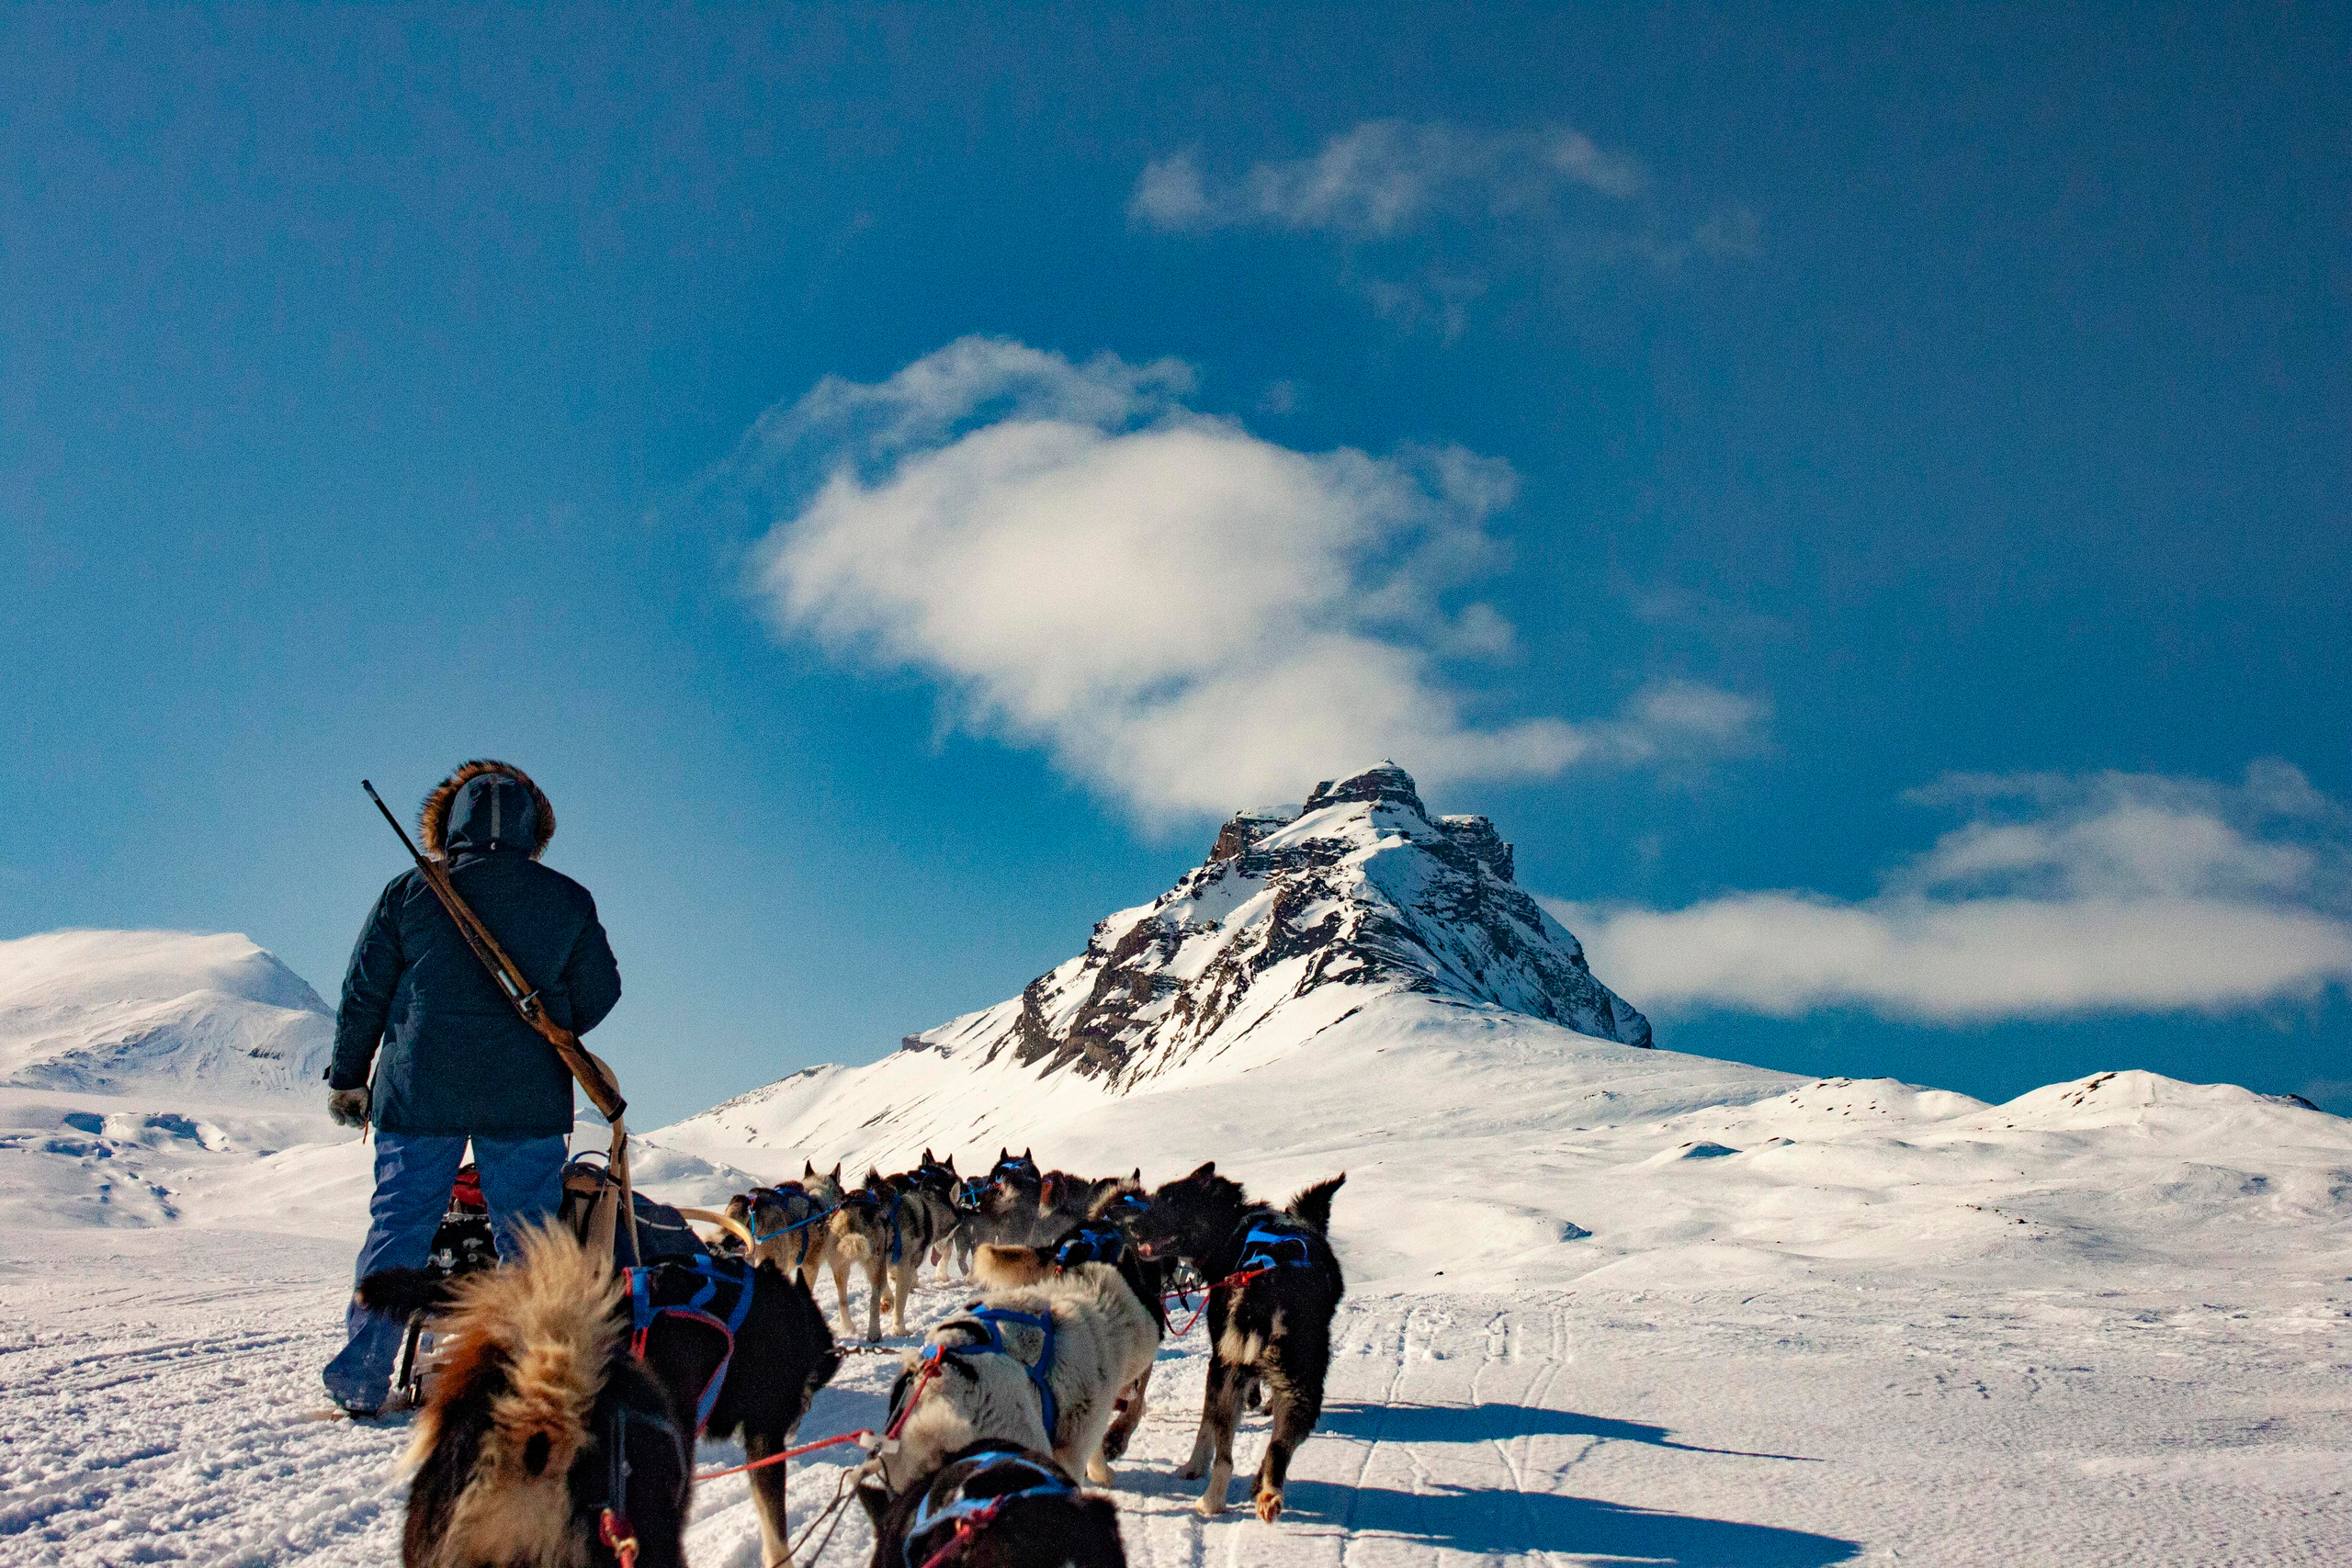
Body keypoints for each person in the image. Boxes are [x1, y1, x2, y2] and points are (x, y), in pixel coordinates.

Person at [320, 760, 622, 1415]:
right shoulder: (567, 898)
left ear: (447, 821)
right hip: (525, 1098)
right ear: (533, 828)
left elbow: (363, 992)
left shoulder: (410, 889)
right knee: (528, 1240)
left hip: (417, 1087)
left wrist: (349, 1077)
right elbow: (602, 992)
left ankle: (362, 1378)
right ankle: (521, 1377)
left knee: (398, 1227)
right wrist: (545, 1008)